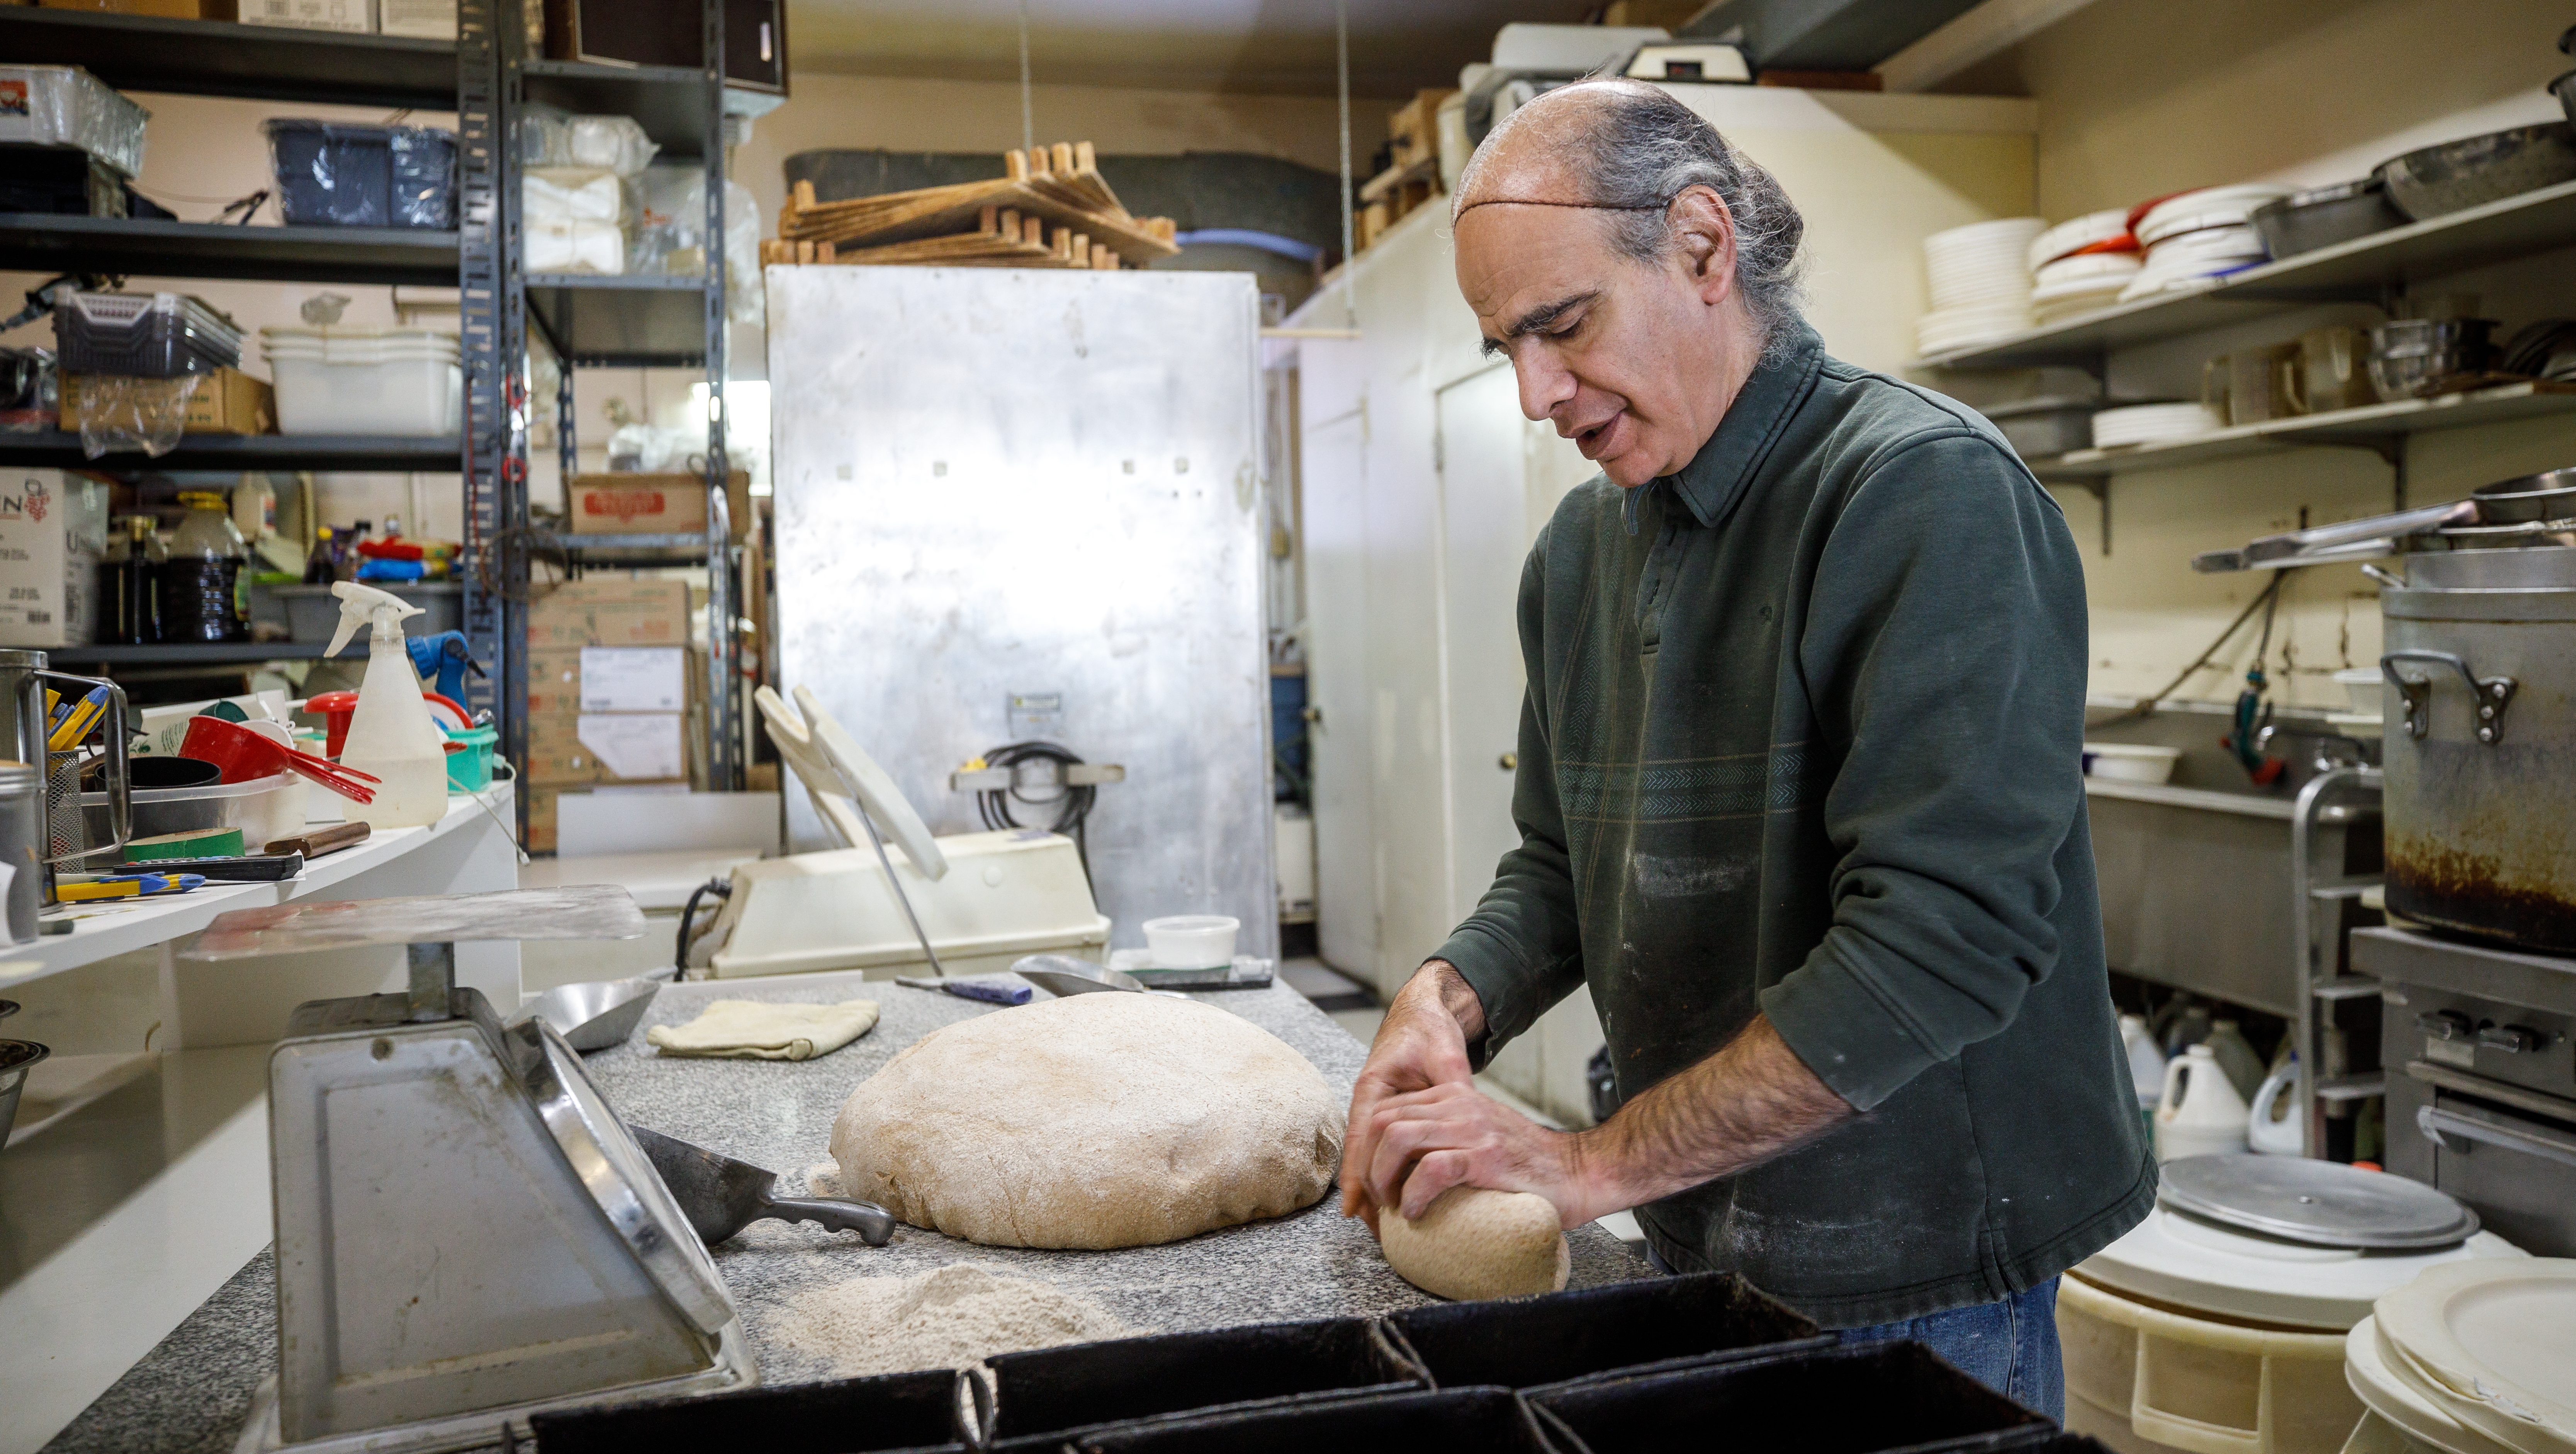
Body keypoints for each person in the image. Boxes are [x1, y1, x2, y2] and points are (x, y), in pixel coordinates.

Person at [1337, 80, 2153, 1417]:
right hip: (1693, 1222)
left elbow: (1939, 944)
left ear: (1704, 248)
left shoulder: (1919, 492)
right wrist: (1450, 996)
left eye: (1565, 324)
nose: (1538, 394)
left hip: (1923, 1270)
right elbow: (1558, 865)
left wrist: (1588, 1164)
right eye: (1507, 348)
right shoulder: (1579, 555)